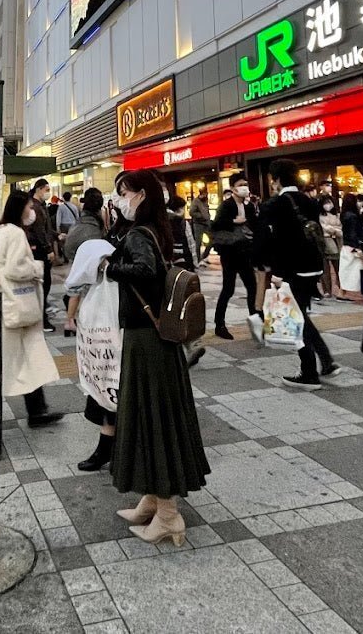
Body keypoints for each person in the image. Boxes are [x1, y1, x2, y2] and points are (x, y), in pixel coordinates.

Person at [107, 169, 210, 546]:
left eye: (125, 193)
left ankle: (168, 515)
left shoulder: (139, 233)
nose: (121, 199)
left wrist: (110, 267)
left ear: (142, 195)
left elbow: (145, 269)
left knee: (151, 417)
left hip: (146, 340)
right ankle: (152, 500)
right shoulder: (157, 228)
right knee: (154, 414)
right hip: (157, 336)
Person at [262, 160, 340, 389]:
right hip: (314, 266)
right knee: (300, 315)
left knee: (295, 319)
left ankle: (310, 372)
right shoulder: (309, 201)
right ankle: (326, 361)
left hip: (292, 270)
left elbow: (276, 242)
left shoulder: (276, 204)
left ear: (276, 179)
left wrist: (276, 271)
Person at [0, 190, 63, 428]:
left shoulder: (2, 231)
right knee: (24, 359)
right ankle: (36, 411)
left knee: (24, 360)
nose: (32, 211)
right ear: (20, 208)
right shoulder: (15, 233)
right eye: (29, 206)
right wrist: (36, 268)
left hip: (8, 302)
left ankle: (37, 410)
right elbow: (15, 268)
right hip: (20, 304)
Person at [211, 172, 258, 340]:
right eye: (240, 185)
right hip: (230, 253)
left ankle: (256, 323)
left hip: (245, 252)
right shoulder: (226, 205)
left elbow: (255, 226)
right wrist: (233, 222)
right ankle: (219, 324)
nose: (244, 187)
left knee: (252, 287)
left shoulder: (249, 206)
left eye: (245, 184)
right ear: (232, 188)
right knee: (228, 289)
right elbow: (215, 225)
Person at [63, 188, 109, 336]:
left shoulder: (81, 219)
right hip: (90, 257)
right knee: (90, 290)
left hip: (75, 255)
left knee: (75, 289)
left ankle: (69, 321)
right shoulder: (97, 220)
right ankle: (87, 322)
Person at [24, 178, 59, 331]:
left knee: (43, 284)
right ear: (38, 189)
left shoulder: (40, 206)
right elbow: (40, 231)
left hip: (38, 249)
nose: (48, 193)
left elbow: (46, 229)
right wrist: (48, 249)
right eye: (46, 190)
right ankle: (41, 319)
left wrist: (56, 235)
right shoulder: (36, 207)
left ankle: (41, 315)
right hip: (39, 250)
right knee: (43, 284)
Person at [338, 194, 363, 301]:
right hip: (353, 246)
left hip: (346, 245)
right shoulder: (353, 216)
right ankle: (349, 291)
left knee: (346, 270)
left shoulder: (344, 214)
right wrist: (357, 247)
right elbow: (353, 233)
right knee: (356, 270)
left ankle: (342, 292)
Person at [318, 194, 344, 299]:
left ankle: (341, 288)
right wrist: (335, 230)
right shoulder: (320, 216)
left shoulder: (336, 215)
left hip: (336, 241)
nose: (328, 205)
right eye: (325, 203)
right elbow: (325, 228)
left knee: (339, 267)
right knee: (325, 269)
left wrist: (334, 230)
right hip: (325, 242)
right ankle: (327, 290)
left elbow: (339, 227)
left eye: (329, 202)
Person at [167, 195, 196, 270]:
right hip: (182, 257)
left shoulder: (162, 220)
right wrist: (194, 262)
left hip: (166, 258)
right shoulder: (183, 223)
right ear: (180, 208)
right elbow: (191, 243)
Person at [188, 190, 212, 264]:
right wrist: (201, 216)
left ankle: (204, 256)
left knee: (212, 239)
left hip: (206, 223)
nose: (206, 196)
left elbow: (207, 211)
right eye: (205, 194)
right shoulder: (195, 201)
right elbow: (191, 212)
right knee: (198, 242)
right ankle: (197, 260)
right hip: (198, 224)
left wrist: (208, 218)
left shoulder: (205, 201)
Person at [56, 191, 80, 258]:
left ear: (63, 198)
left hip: (63, 226)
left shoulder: (61, 207)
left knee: (64, 241)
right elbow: (77, 218)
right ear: (70, 198)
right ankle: (72, 255)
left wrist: (58, 227)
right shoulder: (74, 207)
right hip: (73, 225)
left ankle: (65, 256)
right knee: (72, 240)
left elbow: (58, 218)